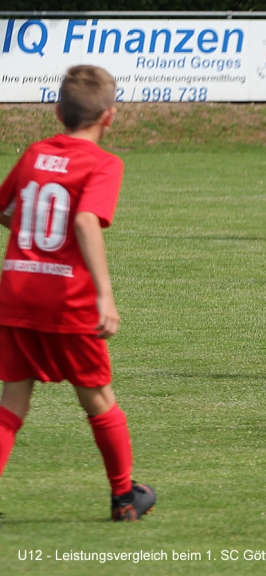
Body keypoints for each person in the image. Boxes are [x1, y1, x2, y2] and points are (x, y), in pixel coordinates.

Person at [0, 65, 155, 521]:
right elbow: (86, 220)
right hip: (67, 300)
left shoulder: (35, 153)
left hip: (17, 292)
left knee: (11, 403)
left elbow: (5, 207)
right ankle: (124, 497)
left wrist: (29, 237)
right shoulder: (104, 163)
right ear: (110, 116)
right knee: (99, 400)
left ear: (57, 112)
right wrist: (105, 296)